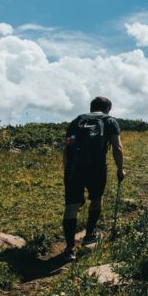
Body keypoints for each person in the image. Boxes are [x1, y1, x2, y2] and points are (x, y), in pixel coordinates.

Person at [62, 96, 125, 260]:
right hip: (96, 167)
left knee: (71, 206)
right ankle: (89, 234)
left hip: (74, 167)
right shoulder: (110, 121)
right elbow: (117, 148)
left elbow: (67, 147)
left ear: (91, 108)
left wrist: (67, 170)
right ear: (108, 109)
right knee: (97, 198)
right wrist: (120, 169)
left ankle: (69, 248)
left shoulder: (77, 121)